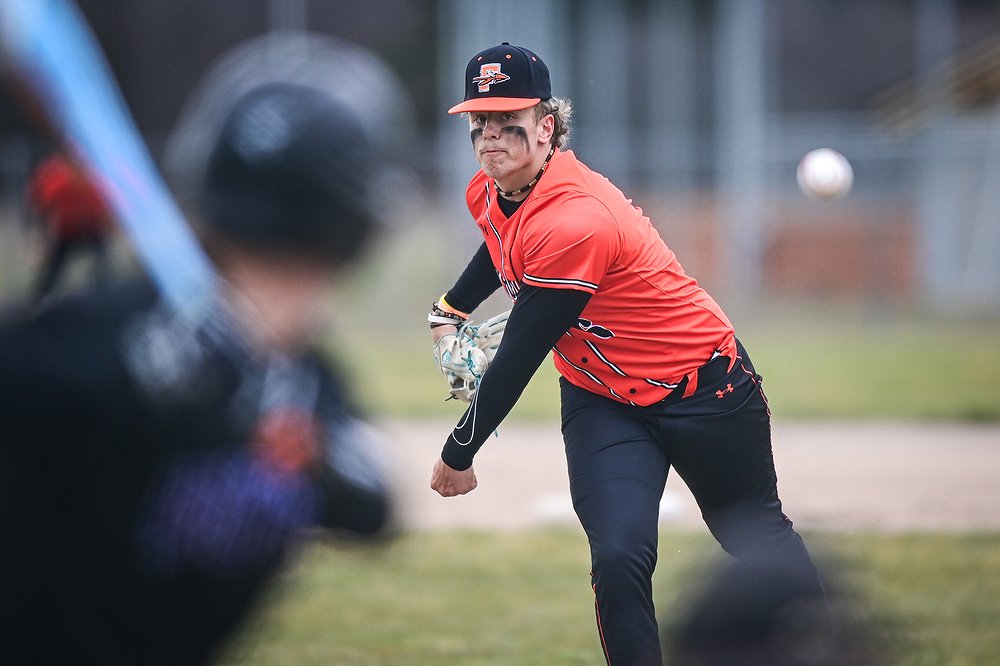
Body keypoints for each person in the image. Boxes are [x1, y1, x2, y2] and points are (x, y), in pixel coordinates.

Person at [428, 43, 825, 665]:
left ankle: (828, 647)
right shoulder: (488, 190)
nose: (490, 135)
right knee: (617, 555)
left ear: (546, 126)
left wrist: (459, 452)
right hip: (603, 400)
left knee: (755, 539)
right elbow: (500, 239)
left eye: (509, 120)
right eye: (480, 121)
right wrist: (450, 307)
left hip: (706, 388)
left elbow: (523, 351)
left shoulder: (576, 220)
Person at [0, 81, 394, 665]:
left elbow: (373, 508)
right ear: (353, 234)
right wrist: (123, 376)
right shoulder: (110, 335)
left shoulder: (301, 378)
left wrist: (313, 453)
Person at [26, 150, 114, 300]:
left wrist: (107, 226)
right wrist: (43, 238)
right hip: (68, 232)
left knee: (102, 258)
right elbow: (43, 207)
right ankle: (38, 299)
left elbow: (107, 212)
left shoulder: (97, 184)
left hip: (91, 230)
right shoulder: (60, 182)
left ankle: (102, 293)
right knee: (54, 267)